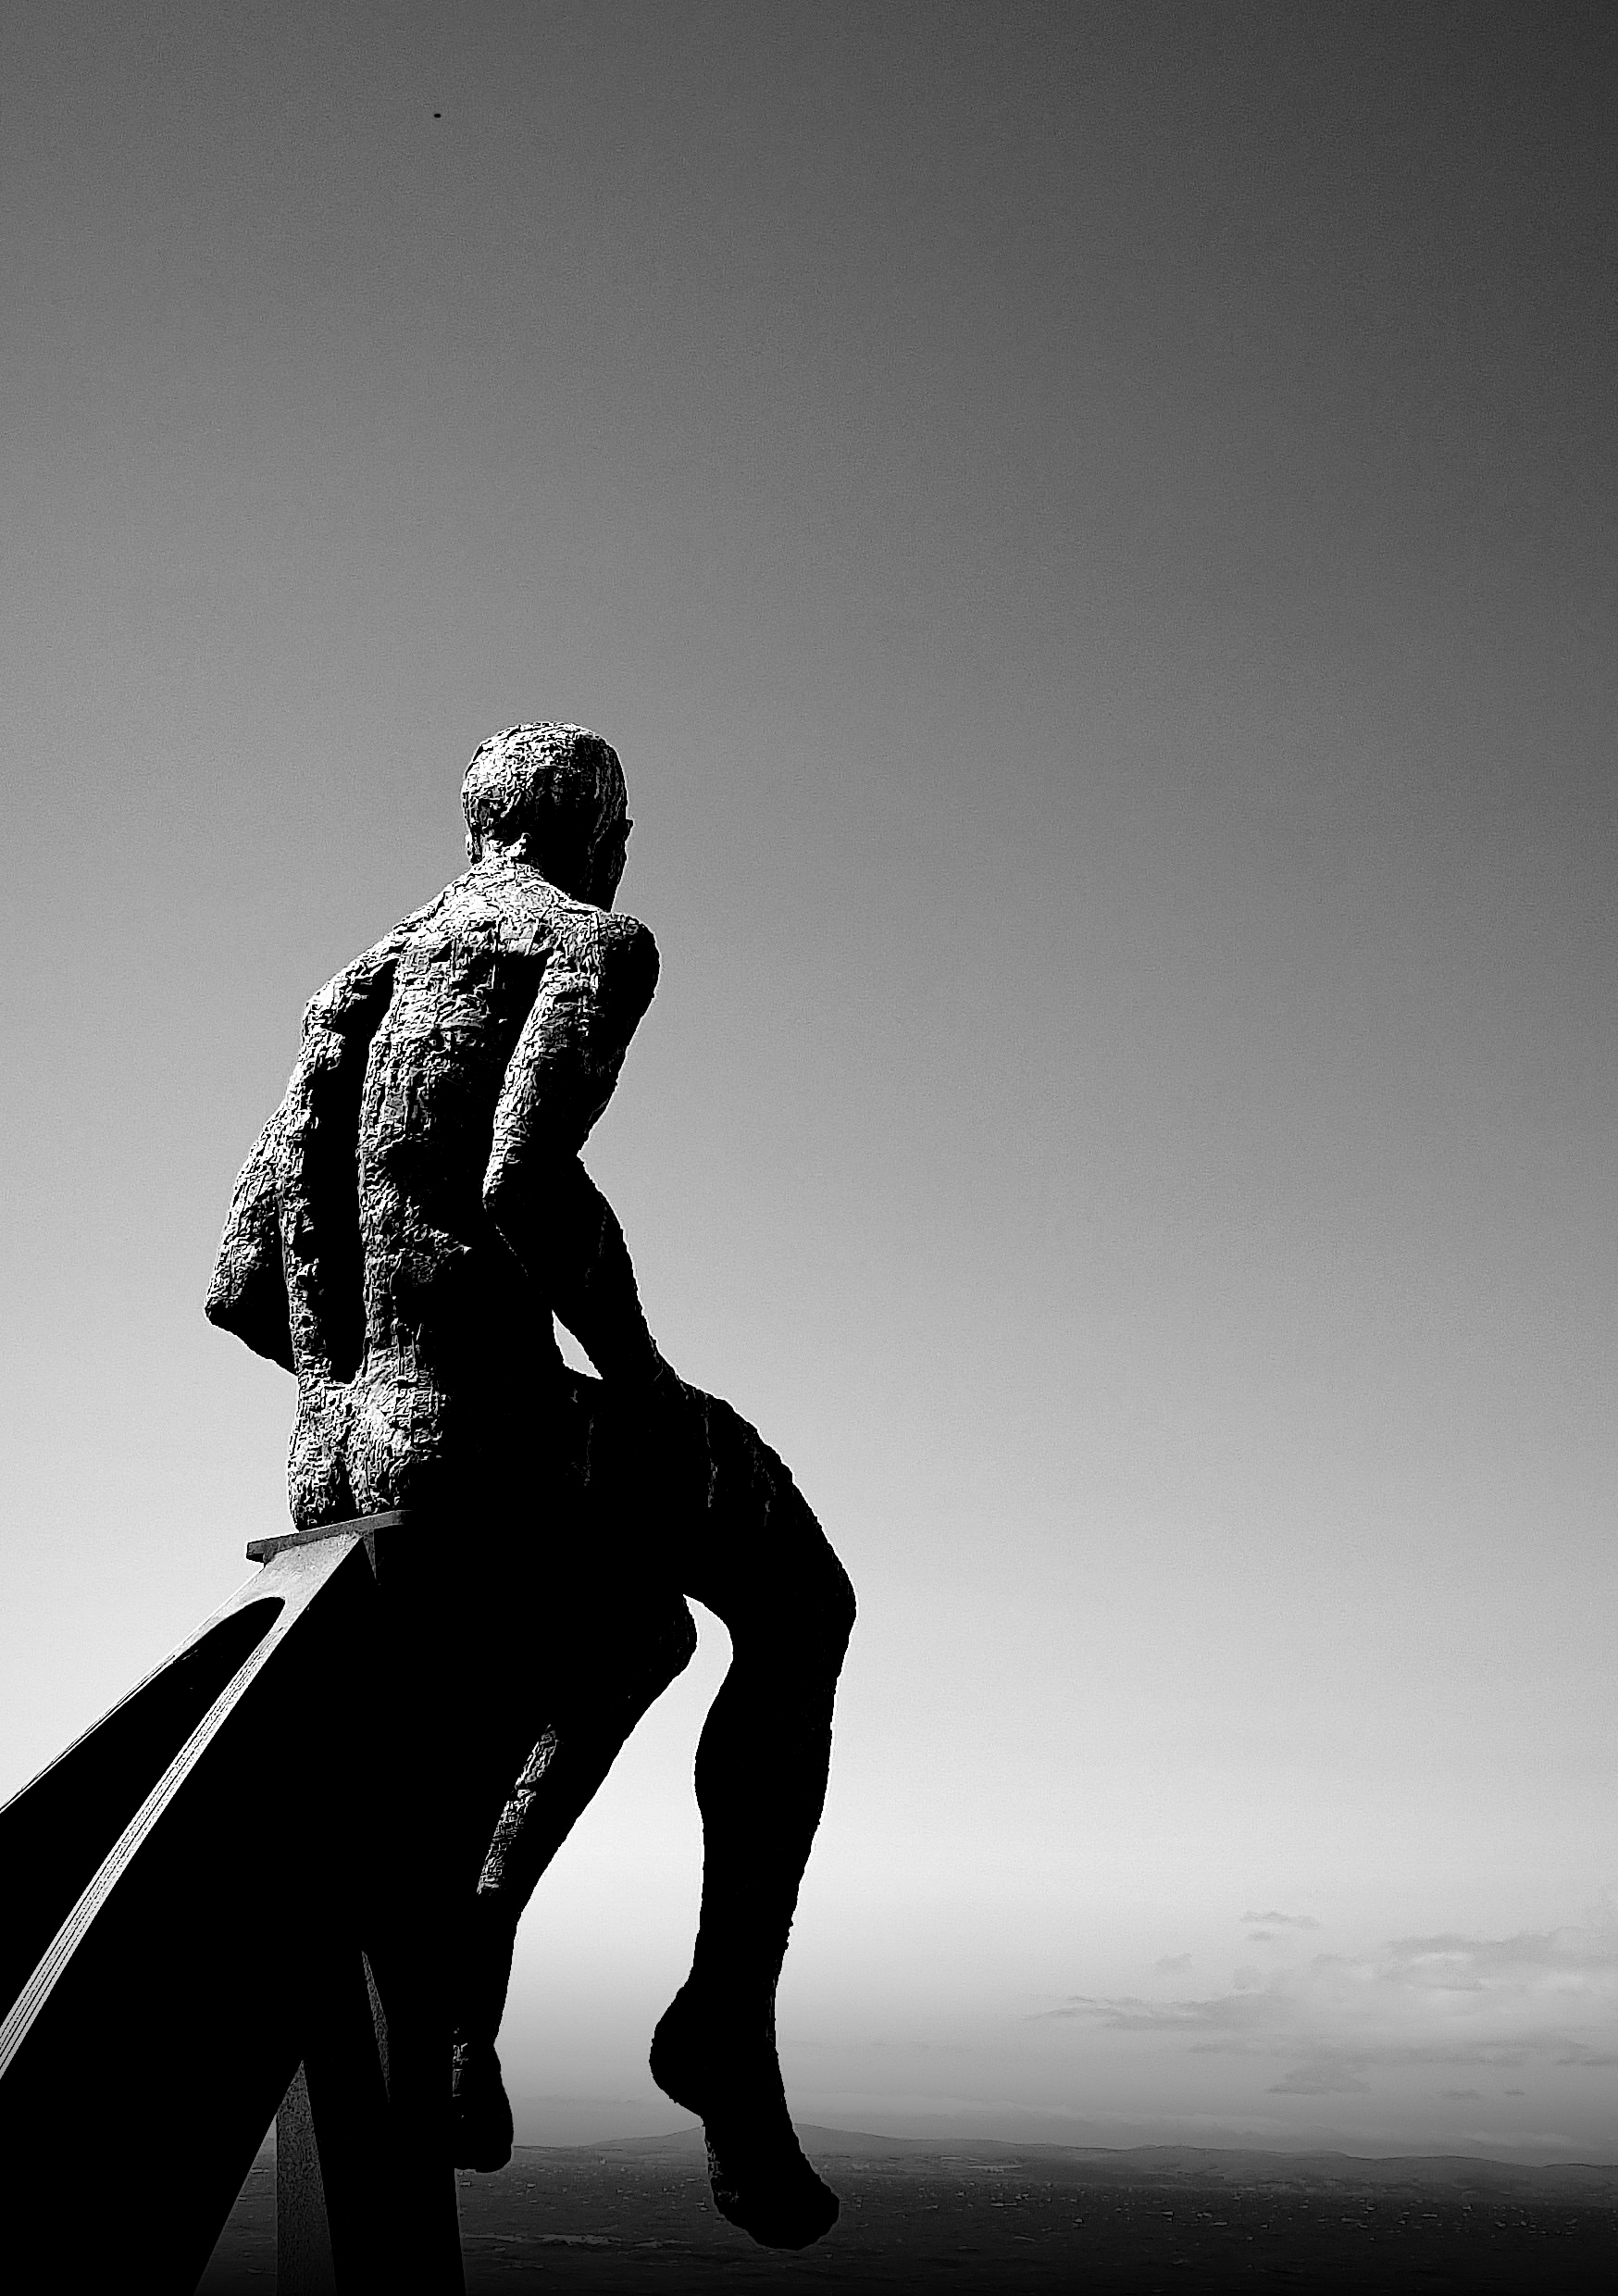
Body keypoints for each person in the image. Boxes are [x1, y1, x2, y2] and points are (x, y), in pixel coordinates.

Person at [206, 723, 855, 2250]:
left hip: (333, 1458)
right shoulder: (587, 942)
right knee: (803, 1600)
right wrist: (641, 1386)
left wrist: (371, 1389)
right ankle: (722, 2021)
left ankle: (467, 1994)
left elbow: (236, 1283)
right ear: (599, 832)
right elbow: (523, 1179)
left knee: (637, 1632)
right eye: (622, 836)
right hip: (485, 1435)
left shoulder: (351, 986)